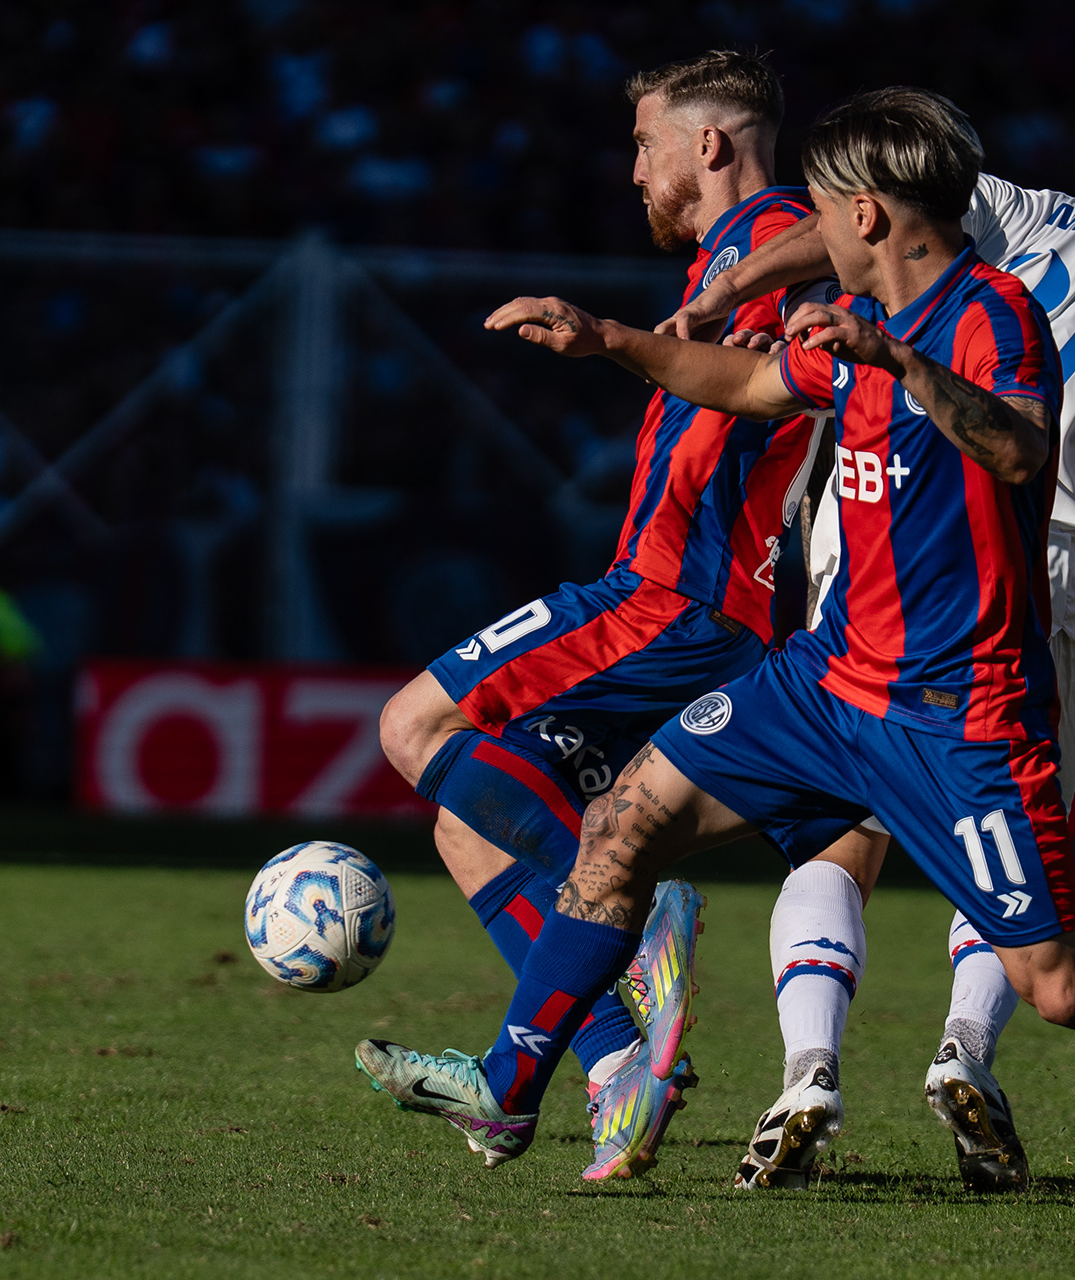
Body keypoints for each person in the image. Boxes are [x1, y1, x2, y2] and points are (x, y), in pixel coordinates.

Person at [360, 86, 1075, 1230]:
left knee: (1067, 984)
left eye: (824, 213)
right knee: (622, 823)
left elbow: (1021, 447)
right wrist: (611, 341)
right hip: (827, 679)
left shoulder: (992, 313)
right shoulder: (862, 309)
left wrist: (897, 360)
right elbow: (743, 382)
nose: (807, 233)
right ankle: (511, 1087)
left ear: (872, 216)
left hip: (963, 712)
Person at [670, 89, 1075, 1194]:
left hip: (878, 535)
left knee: (840, 838)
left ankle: (809, 1064)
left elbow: (848, 217)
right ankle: (966, 1048)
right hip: (1027, 586)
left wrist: (729, 287)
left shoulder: (1016, 209)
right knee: (1003, 868)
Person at [365, 49, 841, 1181]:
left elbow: (854, 232)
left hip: (677, 596)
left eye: (645, 142)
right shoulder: (734, 257)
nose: (632, 170)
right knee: (465, 823)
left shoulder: (782, 235)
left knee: (414, 730)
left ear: (711, 144)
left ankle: (632, 932)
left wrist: (753, 301)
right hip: (677, 595)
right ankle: (622, 1053)